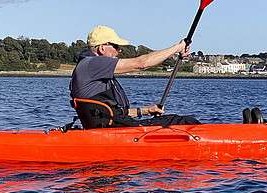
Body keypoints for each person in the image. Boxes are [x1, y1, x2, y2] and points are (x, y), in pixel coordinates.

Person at [70, 26, 201, 128]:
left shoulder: (89, 67)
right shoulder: (93, 64)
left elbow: (112, 114)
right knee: (185, 122)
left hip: (111, 128)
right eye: (115, 46)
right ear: (102, 48)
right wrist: (177, 48)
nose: (119, 50)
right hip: (115, 131)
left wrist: (145, 111)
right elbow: (142, 64)